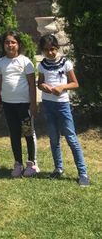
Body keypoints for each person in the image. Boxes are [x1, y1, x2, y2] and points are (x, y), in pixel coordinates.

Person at [38, 34, 90, 186]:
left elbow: (75, 83)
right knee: (54, 139)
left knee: (71, 139)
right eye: (46, 50)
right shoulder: (42, 65)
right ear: (42, 50)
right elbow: (40, 83)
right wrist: (44, 87)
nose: (50, 53)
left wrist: (62, 87)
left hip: (62, 105)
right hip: (48, 105)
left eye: (53, 49)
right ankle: (58, 168)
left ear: (57, 48)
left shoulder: (66, 63)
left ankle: (83, 173)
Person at [0, 30, 38, 177]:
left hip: (24, 105)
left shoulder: (26, 62)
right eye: (7, 42)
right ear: (3, 45)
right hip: (8, 104)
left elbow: (32, 84)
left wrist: (33, 104)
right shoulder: (1, 62)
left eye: (13, 42)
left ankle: (32, 163)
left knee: (27, 132)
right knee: (14, 133)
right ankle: (18, 163)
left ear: (19, 44)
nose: (10, 45)